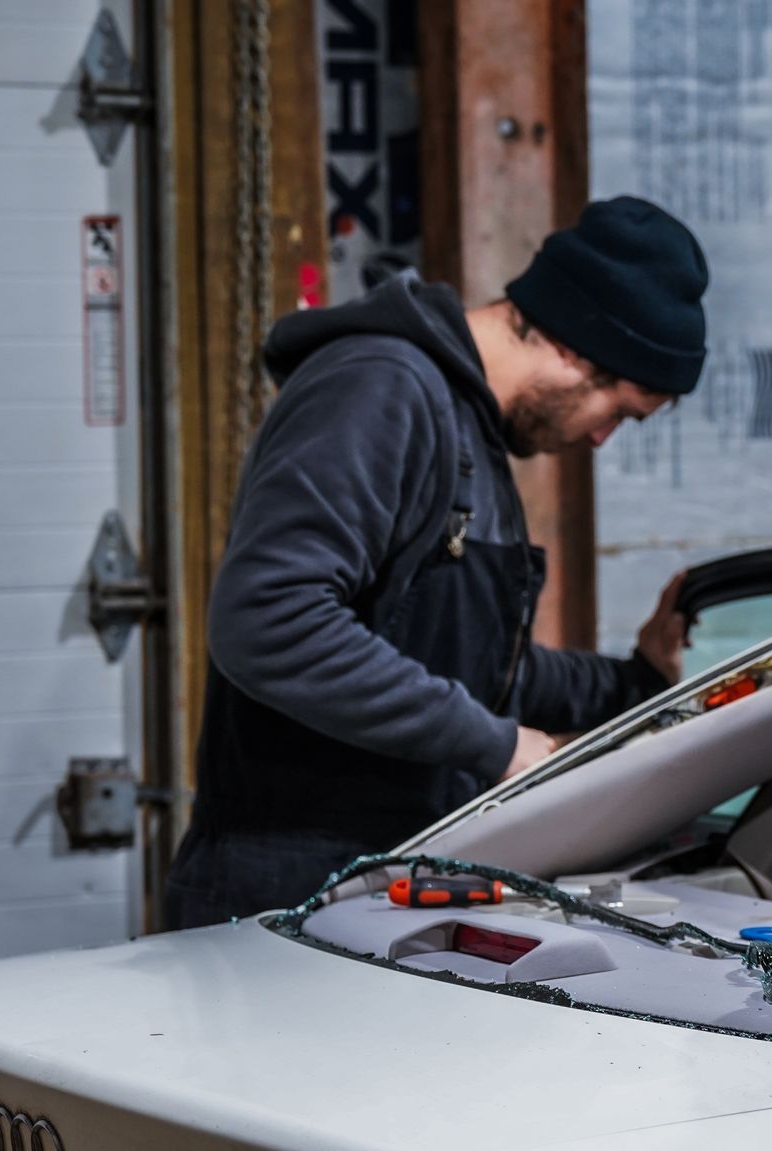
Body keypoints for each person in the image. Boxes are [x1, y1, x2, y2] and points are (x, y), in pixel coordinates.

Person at [166, 195, 709, 928]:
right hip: (287, 879)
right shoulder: (380, 389)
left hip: (378, 872)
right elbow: (269, 618)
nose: (602, 439)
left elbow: (464, 663)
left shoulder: (467, 432)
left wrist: (633, 684)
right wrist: (500, 746)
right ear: (575, 347)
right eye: (616, 410)